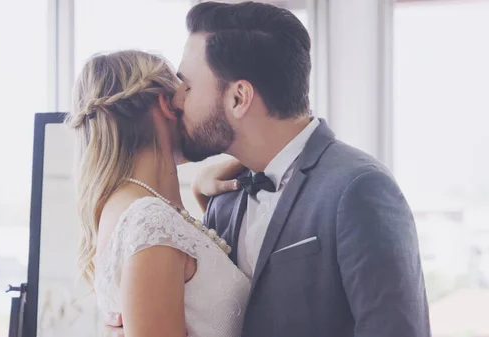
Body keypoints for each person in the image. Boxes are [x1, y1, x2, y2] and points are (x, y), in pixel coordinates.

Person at [105, 1, 431, 337]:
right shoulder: (223, 199)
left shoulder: (360, 189)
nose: (176, 100)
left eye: (187, 85)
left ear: (238, 98)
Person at [66, 50, 250, 337]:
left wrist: (201, 193)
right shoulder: (148, 221)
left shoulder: (140, 209)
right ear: (166, 103)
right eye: (186, 91)